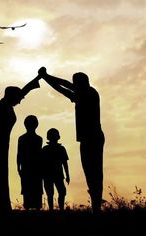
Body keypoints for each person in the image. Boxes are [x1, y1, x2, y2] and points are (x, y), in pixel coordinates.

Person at [38, 67, 105, 214]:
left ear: (81, 83)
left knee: (94, 172)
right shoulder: (86, 92)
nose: (74, 85)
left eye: (76, 83)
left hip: (91, 138)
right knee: (92, 172)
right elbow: (64, 85)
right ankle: (96, 206)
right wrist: (46, 77)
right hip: (90, 138)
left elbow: (63, 87)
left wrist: (45, 77)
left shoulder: (87, 94)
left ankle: (96, 207)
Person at [0, 75, 41, 214]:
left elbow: (21, 93)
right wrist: (36, 80)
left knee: (1, 173)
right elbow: (20, 94)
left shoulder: (5, 104)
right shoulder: (4, 107)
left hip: (1, 144)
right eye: (18, 99)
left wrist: (36, 79)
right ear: (12, 97)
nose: (20, 102)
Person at [17, 115, 43, 210]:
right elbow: (19, 154)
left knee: (30, 187)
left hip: (31, 166)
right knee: (30, 187)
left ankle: (32, 207)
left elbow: (19, 154)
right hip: (31, 167)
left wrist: (18, 167)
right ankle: (32, 207)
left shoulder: (23, 138)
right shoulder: (38, 139)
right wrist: (18, 167)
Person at [42, 128, 70, 211]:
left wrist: (67, 175)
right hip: (52, 174)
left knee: (60, 192)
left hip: (54, 175)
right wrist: (67, 175)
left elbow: (65, 163)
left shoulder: (48, 149)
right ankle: (56, 209)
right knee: (54, 193)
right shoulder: (47, 149)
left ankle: (57, 209)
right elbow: (65, 163)